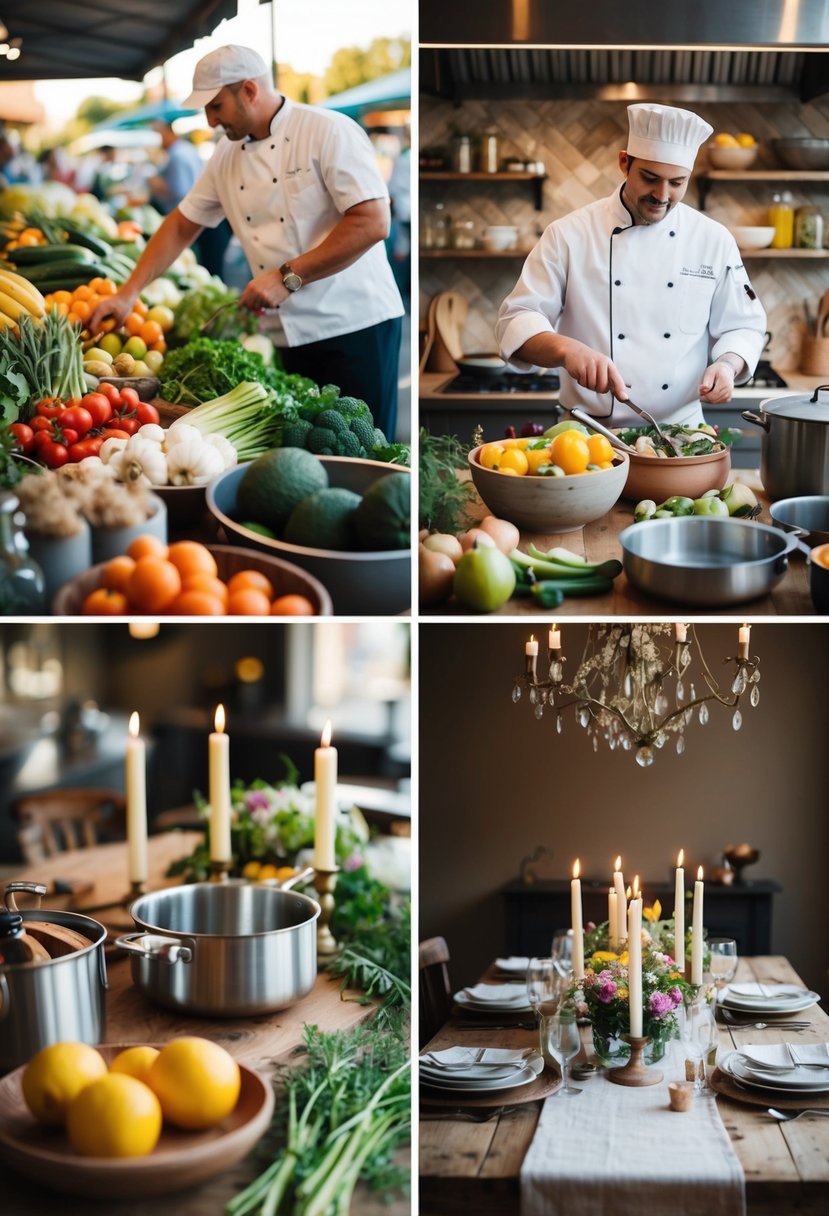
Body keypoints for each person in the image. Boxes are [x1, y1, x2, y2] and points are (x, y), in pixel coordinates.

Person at [89, 45, 404, 439]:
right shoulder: (225, 155)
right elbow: (181, 225)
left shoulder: (328, 130)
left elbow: (372, 222)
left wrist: (286, 276)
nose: (209, 119)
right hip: (291, 332)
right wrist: (127, 294)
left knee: (367, 452)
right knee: (309, 457)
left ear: (250, 91)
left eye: (216, 106)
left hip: (357, 323)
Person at [495, 103, 767, 428]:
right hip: (587, 436)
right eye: (650, 178)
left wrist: (727, 365)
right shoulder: (568, 234)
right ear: (624, 162)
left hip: (680, 435)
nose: (662, 195)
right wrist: (566, 350)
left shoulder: (713, 239)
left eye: (677, 182)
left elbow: (744, 325)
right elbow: (516, 320)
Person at [147, 121, 204, 214]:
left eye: (158, 134)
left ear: (167, 132)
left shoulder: (176, 155)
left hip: (184, 214)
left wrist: (158, 186)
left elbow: (180, 192)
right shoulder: (187, 148)